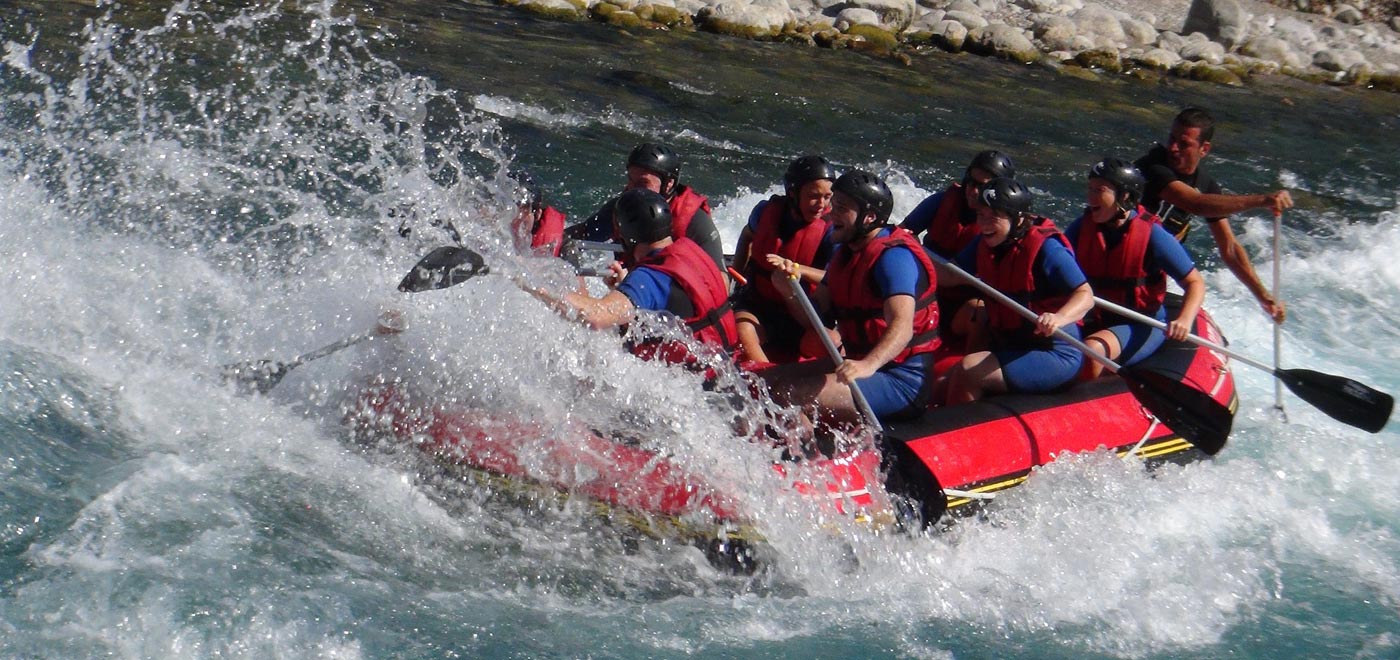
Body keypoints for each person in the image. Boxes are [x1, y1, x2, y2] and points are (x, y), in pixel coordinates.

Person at [760, 170, 941, 425]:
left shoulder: (894, 259)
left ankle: (804, 461)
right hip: (857, 365)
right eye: (834, 204)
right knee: (765, 383)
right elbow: (817, 323)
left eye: (841, 207)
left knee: (789, 395)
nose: (830, 212)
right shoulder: (845, 255)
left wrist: (867, 365)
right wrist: (789, 292)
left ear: (868, 218)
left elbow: (903, 327)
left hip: (902, 381)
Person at [524, 188, 737, 361]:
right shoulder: (692, 250)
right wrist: (625, 288)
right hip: (721, 365)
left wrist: (529, 283)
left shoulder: (647, 278)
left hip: (695, 389)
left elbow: (595, 317)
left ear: (627, 238)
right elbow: (674, 300)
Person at [1135, 107, 1293, 323]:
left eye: (1184, 144)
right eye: (1171, 139)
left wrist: (1263, 296)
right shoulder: (1153, 166)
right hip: (1115, 262)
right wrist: (1263, 200)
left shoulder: (1206, 185)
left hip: (1147, 278)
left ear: (1204, 149)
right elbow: (1194, 203)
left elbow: (1229, 248)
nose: (1173, 148)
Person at [942, 178, 1094, 403]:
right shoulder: (985, 242)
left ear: (1018, 218)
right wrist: (914, 256)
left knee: (968, 371)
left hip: (1053, 351)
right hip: (1012, 341)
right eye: (981, 215)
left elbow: (1086, 295)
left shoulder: (1047, 249)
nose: (984, 223)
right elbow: (951, 274)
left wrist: (1059, 317)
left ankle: (957, 432)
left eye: (993, 216)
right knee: (943, 382)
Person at [1066, 158, 1206, 379]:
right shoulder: (1081, 228)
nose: (1090, 197)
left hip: (1142, 322)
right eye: (1089, 189)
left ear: (1124, 196)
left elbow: (1195, 283)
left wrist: (1185, 319)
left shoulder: (1153, 235)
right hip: (1098, 315)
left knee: (1092, 351)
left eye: (1099, 190)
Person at [729, 154, 838, 364]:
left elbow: (834, 277)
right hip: (760, 307)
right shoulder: (764, 212)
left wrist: (799, 270)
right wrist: (737, 277)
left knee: (830, 342)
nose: (821, 204)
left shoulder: (831, 230)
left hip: (802, 314)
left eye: (827, 197)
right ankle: (766, 376)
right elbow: (746, 237)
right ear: (792, 193)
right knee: (742, 329)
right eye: (814, 196)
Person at [901, 150, 1016, 343]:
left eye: (982, 186)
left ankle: (969, 367)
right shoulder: (941, 201)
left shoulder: (1001, 228)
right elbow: (901, 234)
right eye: (971, 182)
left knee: (978, 312)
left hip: (963, 302)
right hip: (927, 290)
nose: (973, 191)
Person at [563, 142, 726, 272]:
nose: (633, 190)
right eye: (630, 181)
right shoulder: (624, 207)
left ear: (668, 184)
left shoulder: (693, 220)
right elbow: (579, 236)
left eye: (642, 183)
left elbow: (720, 279)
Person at [509, 171, 567, 258]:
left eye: (523, 221)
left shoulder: (558, 251)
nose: (514, 225)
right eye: (510, 215)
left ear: (537, 215)